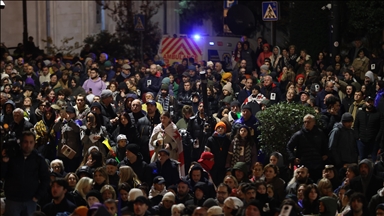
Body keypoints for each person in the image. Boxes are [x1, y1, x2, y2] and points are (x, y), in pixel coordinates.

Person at [1, 131, 50, 216]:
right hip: (13, 200)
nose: (28, 145)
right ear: (21, 142)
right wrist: (4, 162)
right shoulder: (12, 156)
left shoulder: (38, 159)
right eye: (26, 142)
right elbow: (2, 175)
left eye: (31, 142)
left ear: (34, 143)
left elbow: (45, 179)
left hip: (30, 200)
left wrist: (38, 196)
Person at [287, 114, 328, 182]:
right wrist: (293, 158)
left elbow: (325, 145)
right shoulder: (299, 135)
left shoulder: (320, 133)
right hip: (304, 165)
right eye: (305, 122)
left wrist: (326, 154)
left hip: (317, 164)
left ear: (314, 122)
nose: (306, 124)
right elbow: (289, 146)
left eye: (308, 122)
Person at [354, 95, 384, 162]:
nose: (370, 103)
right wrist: (357, 137)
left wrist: (377, 138)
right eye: (368, 102)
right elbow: (356, 125)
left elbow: (381, 128)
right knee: (362, 160)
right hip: (361, 141)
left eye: (371, 102)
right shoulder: (360, 113)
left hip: (373, 141)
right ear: (365, 102)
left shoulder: (378, 114)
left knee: (374, 160)